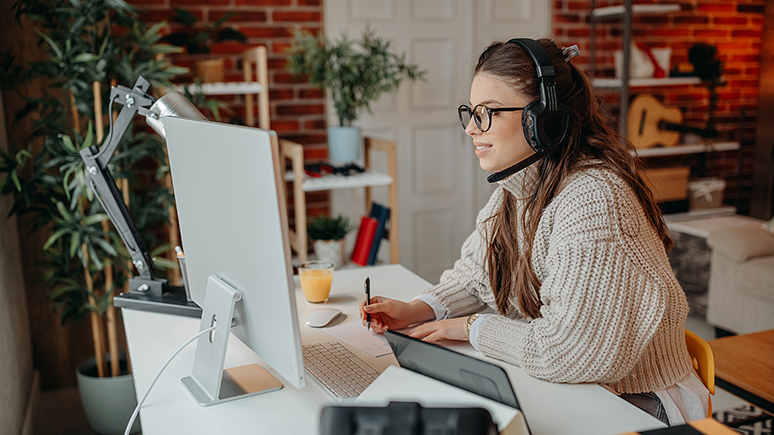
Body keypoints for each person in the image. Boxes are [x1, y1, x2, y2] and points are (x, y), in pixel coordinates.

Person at [359, 38, 708, 425]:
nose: (472, 129)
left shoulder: (593, 198)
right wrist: (416, 310)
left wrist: (472, 327)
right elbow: (476, 279)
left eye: (488, 112)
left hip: (639, 401)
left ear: (544, 119)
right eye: (471, 113)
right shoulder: (516, 191)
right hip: (580, 387)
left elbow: (573, 351)